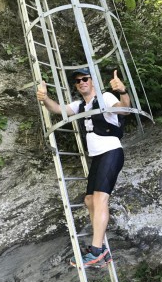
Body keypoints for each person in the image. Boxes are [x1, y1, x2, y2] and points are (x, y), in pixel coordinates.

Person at [37, 68, 130, 267]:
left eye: (85, 78)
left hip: (111, 151)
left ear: (93, 81)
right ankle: (102, 251)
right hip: (97, 156)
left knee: (99, 198)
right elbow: (58, 109)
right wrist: (44, 98)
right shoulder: (81, 104)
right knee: (89, 200)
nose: (81, 82)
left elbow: (123, 109)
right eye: (78, 81)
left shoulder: (105, 97)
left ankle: (96, 249)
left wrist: (122, 91)